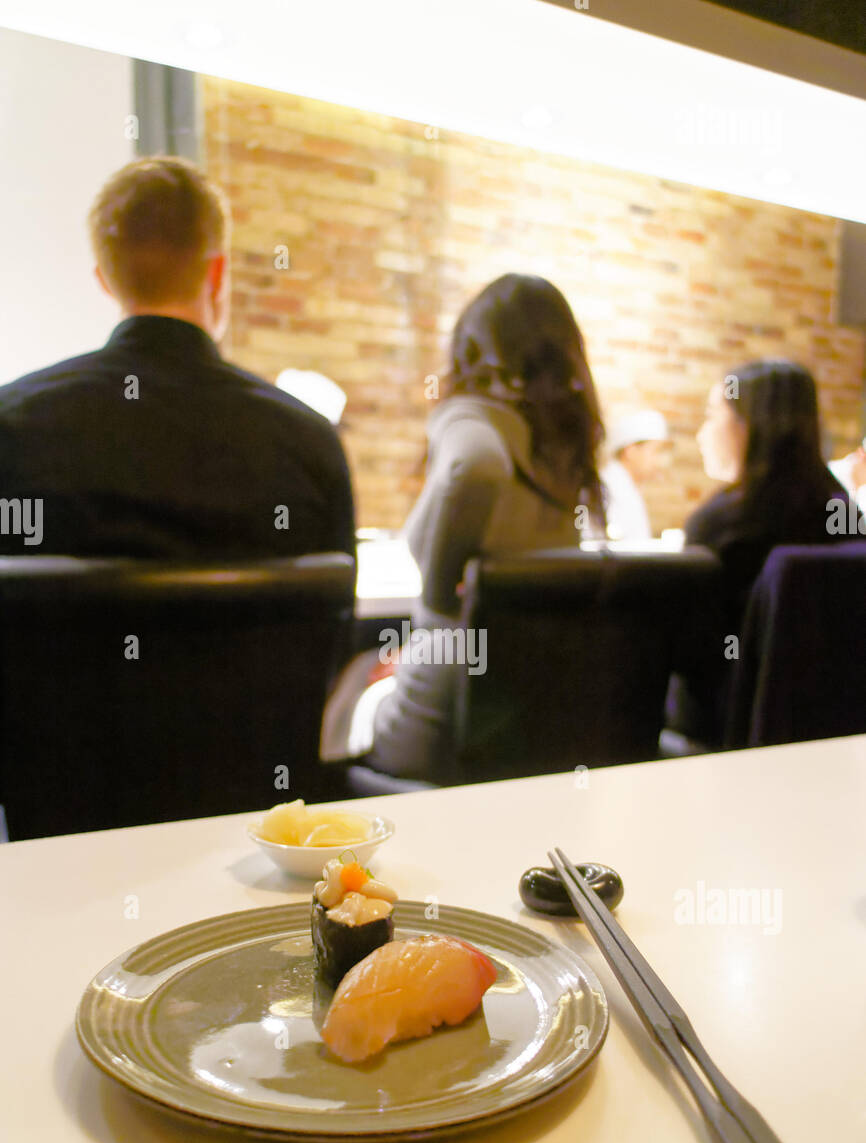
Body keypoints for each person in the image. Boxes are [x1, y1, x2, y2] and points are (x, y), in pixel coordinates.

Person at [0, 156, 355, 562]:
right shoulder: (309, 445)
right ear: (216, 273)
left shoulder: (11, 427)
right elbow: (334, 619)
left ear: (105, 280)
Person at [326, 272, 606, 780]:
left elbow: (473, 466)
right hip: (522, 726)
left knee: (341, 688)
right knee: (370, 670)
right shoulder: (566, 452)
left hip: (439, 726)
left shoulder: (476, 421)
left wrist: (434, 606)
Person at [666, 359, 854, 747]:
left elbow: (686, 656)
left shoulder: (718, 525)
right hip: (834, 736)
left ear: (747, 425)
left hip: (724, 738)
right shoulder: (845, 512)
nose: (702, 434)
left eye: (711, 416)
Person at [602, 409, 669, 540]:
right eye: (656, 451)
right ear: (631, 451)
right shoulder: (609, 488)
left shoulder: (627, 487)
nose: (661, 461)